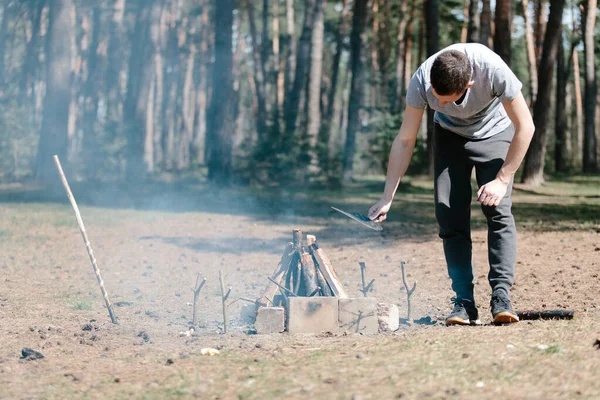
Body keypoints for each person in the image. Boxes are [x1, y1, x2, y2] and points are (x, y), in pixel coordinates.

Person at [367, 43, 535, 326]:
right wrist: (387, 196)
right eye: (436, 97)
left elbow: (526, 126)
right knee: (449, 213)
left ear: (469, 84)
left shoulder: (493, 70)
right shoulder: (422, 80)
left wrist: (502, 180)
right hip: (449, 137)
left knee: (498, 211)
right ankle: (464, 302)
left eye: (447, 100)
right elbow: (406, 139)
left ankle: (501, 296)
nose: (439, 104)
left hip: (494, 132)